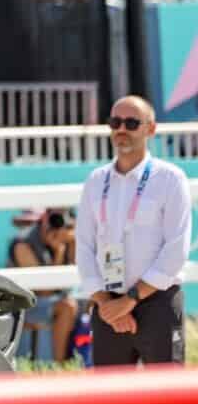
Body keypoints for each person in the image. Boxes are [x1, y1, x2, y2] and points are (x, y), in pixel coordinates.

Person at [75, 95, 191, 367]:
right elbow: (83, 247)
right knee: (109, 402)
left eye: (131, 122)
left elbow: (176, 249)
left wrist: (129, 301)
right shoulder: (95, 181)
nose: (121, 129)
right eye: (115, 122)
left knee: (167, 398)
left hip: (158, 303)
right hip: (107, 305)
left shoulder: (170, 179)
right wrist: (107, 305)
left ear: (151, 129)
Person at [9, 207, 79, 362]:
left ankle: (78, 361)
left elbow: (79, 273)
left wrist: (73, 242)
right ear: (43, 220)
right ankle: (59, 366)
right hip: (24, 305)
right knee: (67, 307)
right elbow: (43, 291)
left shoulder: (65, 240)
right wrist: (59, 252)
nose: (57, 226)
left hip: (50, 300)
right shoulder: (23, 243)